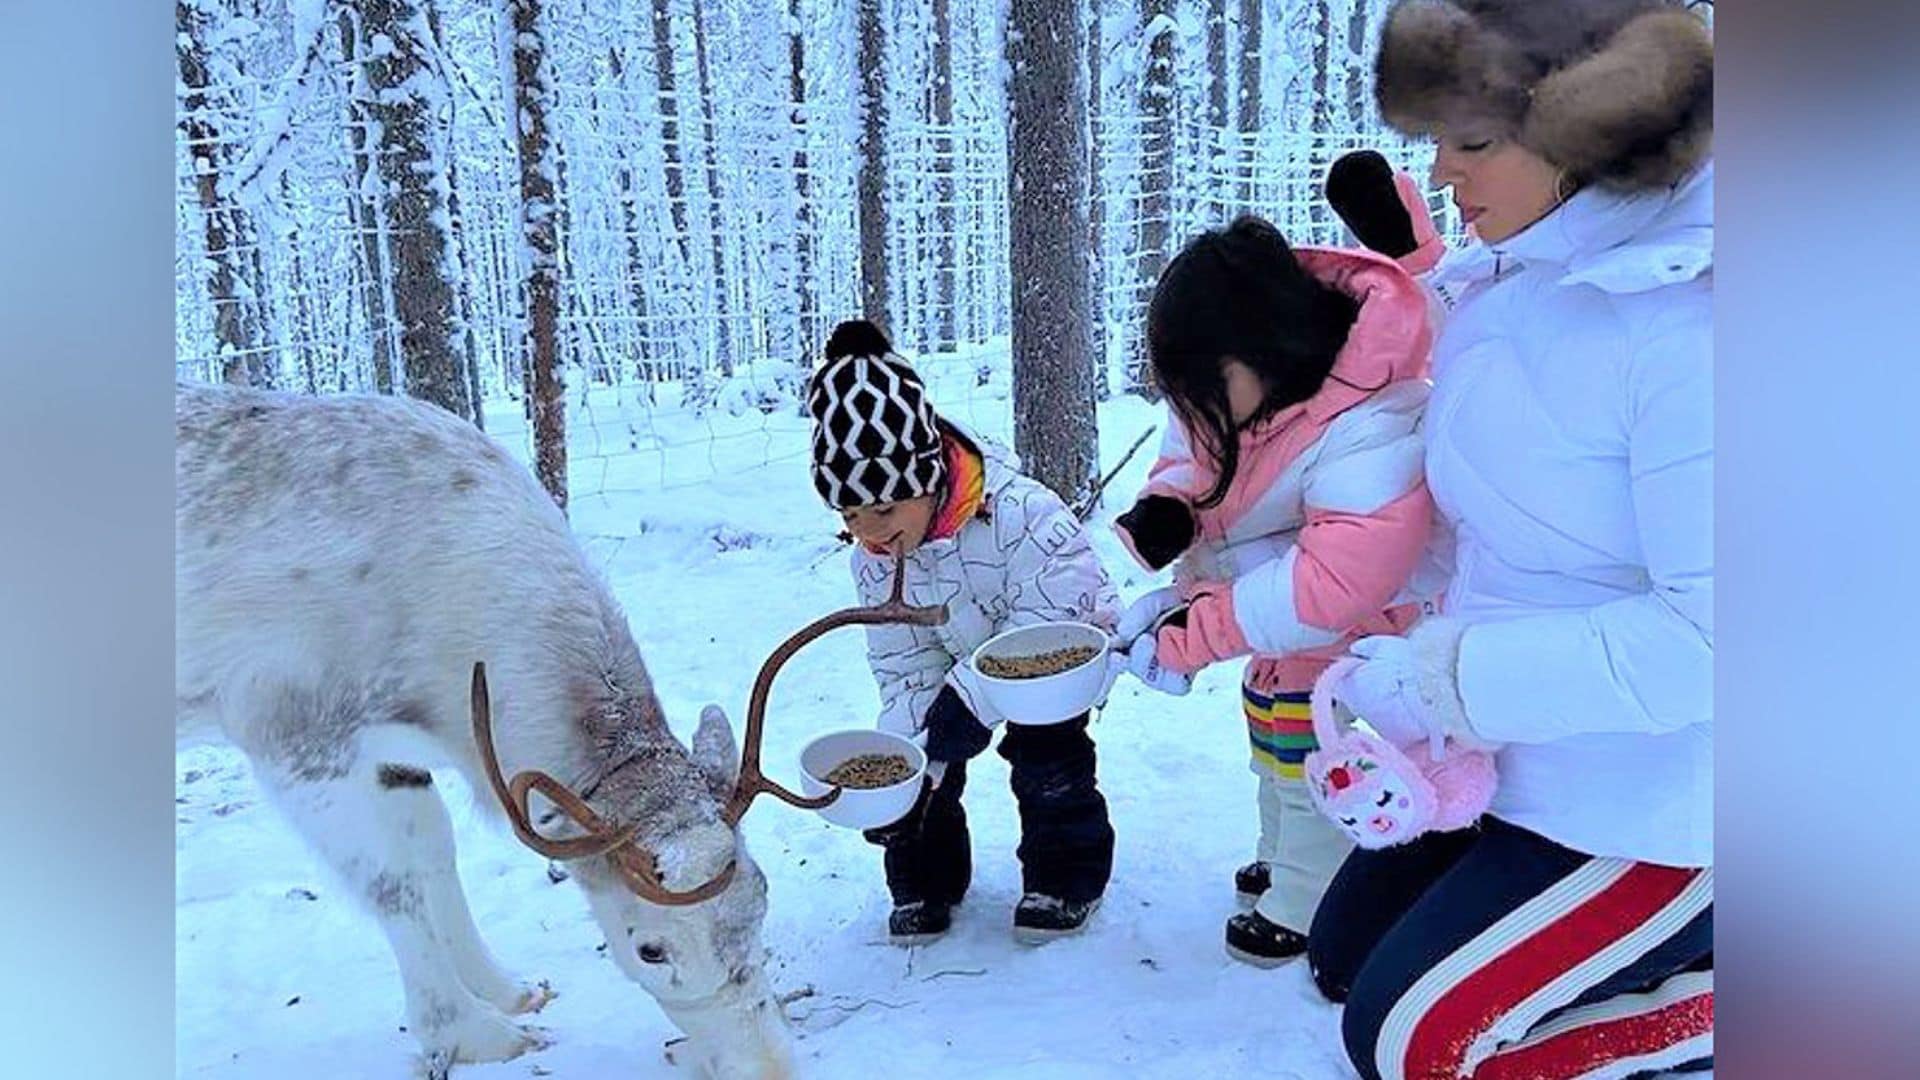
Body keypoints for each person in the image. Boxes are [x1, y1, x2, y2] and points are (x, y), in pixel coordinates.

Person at [1303, 3, 1715, 1077]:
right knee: (1344, 958)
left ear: (1591, 132)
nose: (1437, 173)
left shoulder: (1701, 325)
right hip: (1521, 752)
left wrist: (1447, 680)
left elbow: (1717, 642)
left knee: (1415, 1045)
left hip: (1674, 796)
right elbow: (1498, 514)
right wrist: (1283, 569)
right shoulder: (1512, 279)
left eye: (1471, 142)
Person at [1111, 215, 1438, 966]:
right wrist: (1171, 509)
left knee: (1314, 763)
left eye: (1204, 384)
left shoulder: (1375, 413)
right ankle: (1278, 855)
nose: (1195, 406)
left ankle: (1307, 896)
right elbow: (1198, 459)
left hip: (1352, 637)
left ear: (1263, 348)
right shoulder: (1241, 400)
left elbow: (1335, 582)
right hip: (1278, 633)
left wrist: (1200, 631)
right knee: (1272, 743)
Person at [805, 318, 1119, 945]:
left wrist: (975, 697)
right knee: (923, 754)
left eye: (885, 509)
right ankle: (925, 879)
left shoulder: (1021, 515)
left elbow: (1062, 621)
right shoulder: (874, 558)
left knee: (1045, 752)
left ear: (926, 479)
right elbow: (904, 664)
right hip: (959, 669)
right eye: (851, 514)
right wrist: (906, 762)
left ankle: (1065, 876)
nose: (870, 530)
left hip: (1050, 668)